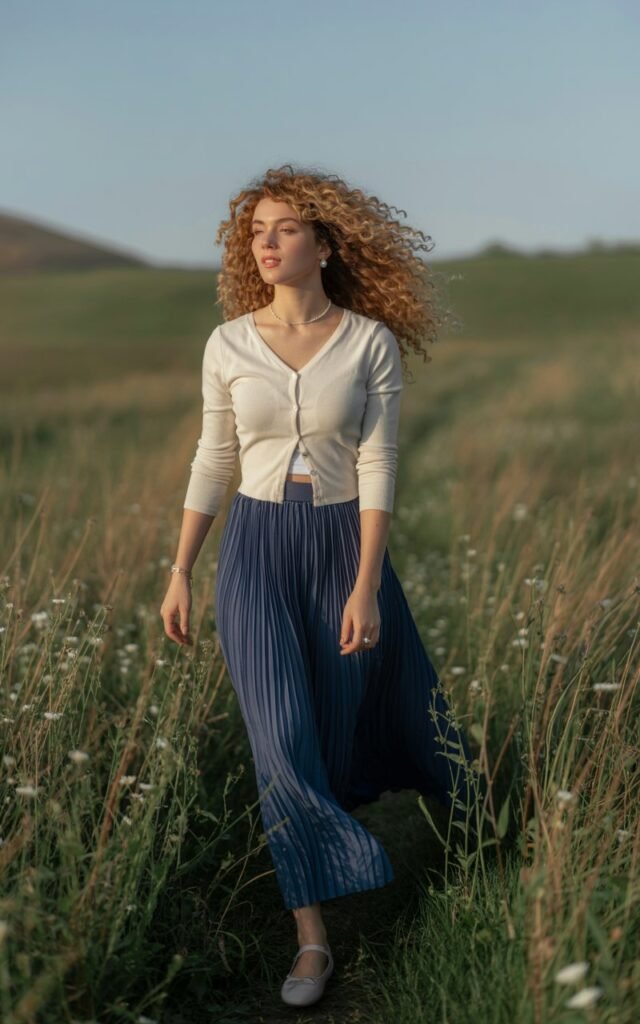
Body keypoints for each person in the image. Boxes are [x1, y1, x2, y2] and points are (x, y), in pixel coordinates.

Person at [160, 164, 483, 1008]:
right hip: (256, 549)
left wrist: (367, 584)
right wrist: (182, 567)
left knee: (373, 715)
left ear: (326, 245)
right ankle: (312, 939)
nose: (266, 243)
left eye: (286, 229)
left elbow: (379, 463)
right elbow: (215, 459)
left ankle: (477, 847)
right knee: (278, 734)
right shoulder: (226, 343)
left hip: (345, 544)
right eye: (256, 232)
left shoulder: (369, 342)